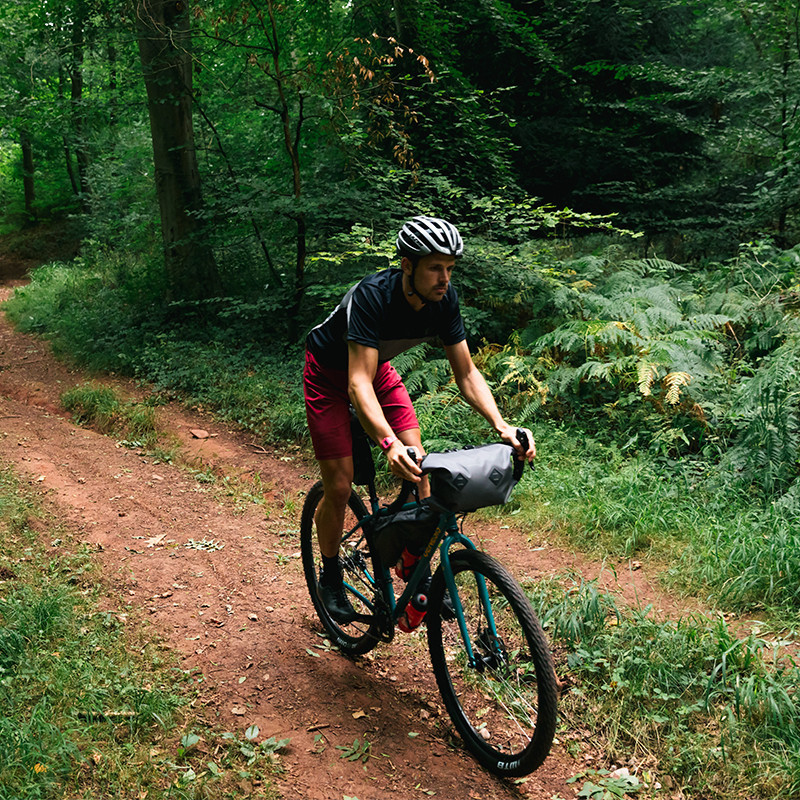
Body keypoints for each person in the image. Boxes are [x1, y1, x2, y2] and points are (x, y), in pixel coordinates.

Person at [304, 215, 535, 623]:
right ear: (407, 265)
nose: (445, 278)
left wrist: (502, 425)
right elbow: (357, 384)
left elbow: (467, 373)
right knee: (338, 486)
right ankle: (331, 576)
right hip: (329, 374)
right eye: (435, 268)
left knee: (420, 468)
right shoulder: (373, 296)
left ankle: (413, 565)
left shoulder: (444, 300)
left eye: (450, 268)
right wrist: (388, 444)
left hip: (377, 371)